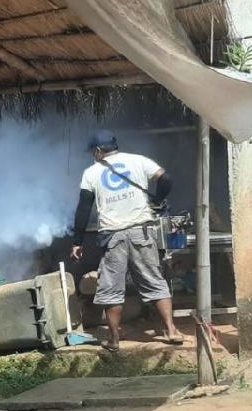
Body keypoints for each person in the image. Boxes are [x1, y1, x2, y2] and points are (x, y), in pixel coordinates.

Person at [70, 129, 184, 351]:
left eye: (93, 152)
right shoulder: (138, 161)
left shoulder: (91, 173)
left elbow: (84, 208)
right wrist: (157, 200)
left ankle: (114, 340)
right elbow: (166, 178)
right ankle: (171, 330)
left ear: (98, 151)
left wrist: (78, 241)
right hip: (141, 232)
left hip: (113, 237)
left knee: (112, 288)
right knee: (154, 281)